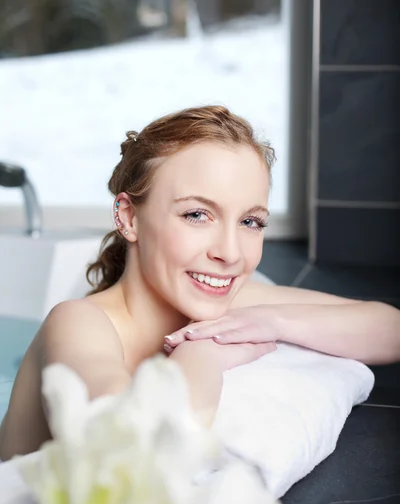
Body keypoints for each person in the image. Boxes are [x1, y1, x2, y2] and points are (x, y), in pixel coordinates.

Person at [0, 105, 399, 461]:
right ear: (129, 217)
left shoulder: (227, 303)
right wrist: (203, 354)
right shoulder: (78, 322)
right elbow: (134, 448)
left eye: (250, 222)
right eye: (196, 215)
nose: (230, 252)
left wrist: (273, 321)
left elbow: (389, 327)